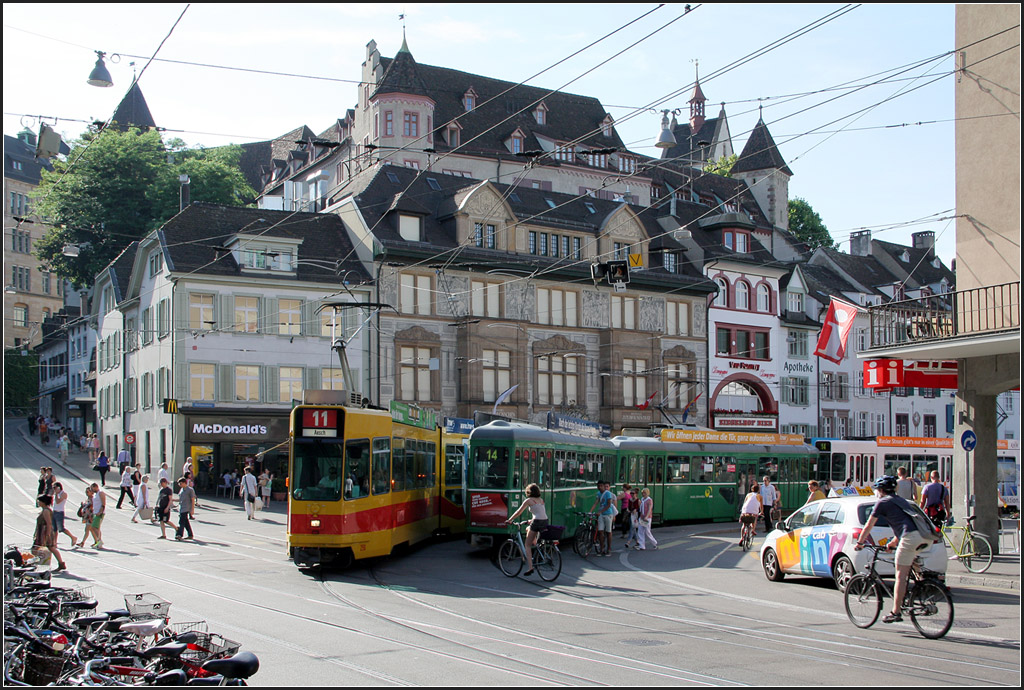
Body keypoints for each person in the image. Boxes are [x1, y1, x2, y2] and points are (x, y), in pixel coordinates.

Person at [855, 475, 931, 624]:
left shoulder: (882, 502)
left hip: (910, 538)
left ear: (881, 490)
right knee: (909, 563)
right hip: (924, 537)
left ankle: (895, 612)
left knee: (900, 576)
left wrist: (860, 542)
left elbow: (869, 525)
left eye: (877, 490)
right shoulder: (902, 501)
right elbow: (905, 527)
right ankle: (922, 584)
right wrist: (893, 543)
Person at [505, 483, 548, 576]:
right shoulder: (541, 500)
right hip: (544, 521)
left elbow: (519, 512)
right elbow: (540, 512)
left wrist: (510, 520)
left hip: (536, 522)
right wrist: (531, 520)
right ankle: (536, 544)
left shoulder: (528, 500)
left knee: (527, 545)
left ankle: (530, 567)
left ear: (528, 492)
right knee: (529, 528)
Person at [33, 495, 68, 572]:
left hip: (44, 532)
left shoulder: (46, 511)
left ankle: (34, 564)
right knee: (51, 548)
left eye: (39, 501)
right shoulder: (45, 510)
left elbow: (48, 523)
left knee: (35, 548)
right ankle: (61, 563)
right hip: (44, 532)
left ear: (43, 502)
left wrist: (47, 535)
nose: (38, 503)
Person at [589, 481, 617, 557]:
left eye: (601, 486)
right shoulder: (598, 494)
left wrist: (600, 511)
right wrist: (590, 511)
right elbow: (596, 503)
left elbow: (609, 505)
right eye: (598, 486)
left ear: (604, 486)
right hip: (601, 515)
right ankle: (602, 548)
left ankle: (609, 549)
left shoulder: (608, 493)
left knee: (608, 532)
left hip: (608, 514)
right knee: (600, 531)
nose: (600, 487)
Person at [51, 482, 78, 548]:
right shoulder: (56, 494)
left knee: (61, 528)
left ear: (59, 487)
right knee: (54, 529)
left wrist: (56, 494)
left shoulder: (63, 494)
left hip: (60, 512)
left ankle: (73, 537)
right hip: (54, 512)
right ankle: (54, 543)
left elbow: (58, 502)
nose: (53, 489)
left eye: (54, 488)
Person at [89, 483, 106, 548]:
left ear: (95, 487)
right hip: (95, 512)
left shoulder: (100, 493)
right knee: (97, 528)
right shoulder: (96, 494)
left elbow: (103, 503)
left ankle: (99, 540)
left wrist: (100, 511)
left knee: (94, 527)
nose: (91, 490)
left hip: (99, 513)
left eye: (92, 488)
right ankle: (99, 542)